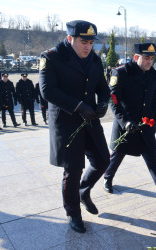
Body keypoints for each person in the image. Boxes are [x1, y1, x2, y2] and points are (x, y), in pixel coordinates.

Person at [39, 20, 110, 233]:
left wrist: (104, 103)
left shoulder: (94, 59)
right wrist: (78, 106)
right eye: (83, 41)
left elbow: (103, 88)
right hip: (67, 121)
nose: (88, 46)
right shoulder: (51, 57)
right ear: (70, 39)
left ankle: (84, 191)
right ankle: (73, 213)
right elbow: (47, 91)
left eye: (91, 42)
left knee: (103, 160)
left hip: (89, 119)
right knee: (73, 169)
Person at [104, 42, 156, 208]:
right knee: (117, 155)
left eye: (152, 58)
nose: (149, 61)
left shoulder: (154, 74)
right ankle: (108, 177)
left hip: (145, 126)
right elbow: (113, 100)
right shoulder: (121, 73)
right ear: (136, 57)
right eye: (146, 58)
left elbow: (154, 99)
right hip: (125, 125)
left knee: (153, 160)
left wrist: (153, 120)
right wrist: (124, 121)